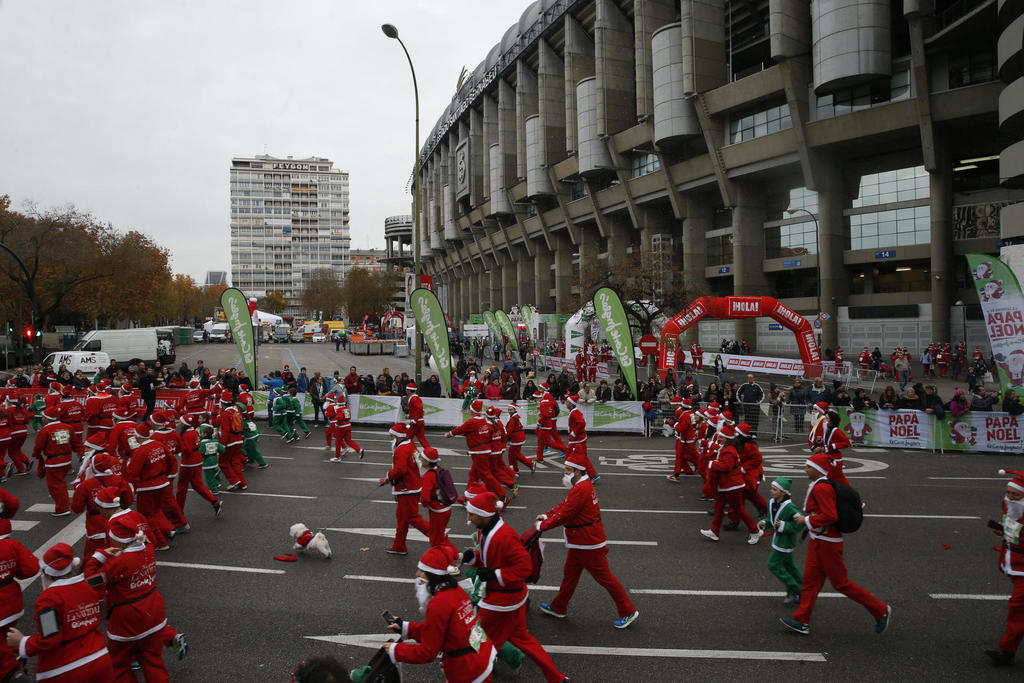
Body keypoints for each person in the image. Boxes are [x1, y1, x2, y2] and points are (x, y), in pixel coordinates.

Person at [780, 452, 891, 636]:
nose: (805, 469)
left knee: (841, 584)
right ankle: (802, 619)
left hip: (827, 543)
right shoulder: (820, 485)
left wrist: (806, 520)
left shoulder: (821, 488)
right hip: (819, 540)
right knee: (810, 581)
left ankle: (880, 610)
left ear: (818, 470)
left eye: (809, 467)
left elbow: (830, 515)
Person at [462, 492, 568, 683]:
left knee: (475, 640)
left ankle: (473, 674)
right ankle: (557, 678)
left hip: (499, 601)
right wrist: (473, 558)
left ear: (484, 515)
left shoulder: (504, 536)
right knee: (524, 640)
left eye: (472, 514)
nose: (468, 519)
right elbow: (489, 557)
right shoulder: (486, 529)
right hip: (513, 600)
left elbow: (524, 567)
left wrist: (494, 574)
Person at [535, 452, 639, 628]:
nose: (565, 473)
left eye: (568, 470)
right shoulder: (581, 486)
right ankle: (559, 607)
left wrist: (542, 526)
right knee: (570, 575)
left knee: (605, 578)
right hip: (581, 542)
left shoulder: (581, 489)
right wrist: (547, 515)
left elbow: (566, 513)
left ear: (578, 471)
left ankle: (628, 611)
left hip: (588, 543)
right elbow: (564, 505)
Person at [83, 513, 186, 680]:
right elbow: (147, 541)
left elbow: (91, 580)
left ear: (119, 541)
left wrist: (99, 555)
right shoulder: (148, 550)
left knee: (118, 663)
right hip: (154, 610)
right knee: (153, 660)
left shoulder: (119, 563)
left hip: (127, 619)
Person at [383, 545, 496, 682]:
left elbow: (428, 652)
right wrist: (406, 627)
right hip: (479, 657)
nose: (417, 574)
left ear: (432, 575)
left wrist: (395, 650)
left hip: (466, 669)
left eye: (421, 571)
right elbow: (441, 630)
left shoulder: (438, 604)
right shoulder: (457, 591)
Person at [7, 543, 113, 681]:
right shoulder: (88, 587)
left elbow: (50, 639)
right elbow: (93, 575)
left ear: (48, 574)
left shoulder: (48, 600)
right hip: (100, 659)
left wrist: (22, 642)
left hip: (66, 668)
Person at [699, 423, 761, 545]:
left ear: (727, 438)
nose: (719, 438)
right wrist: (707, 443)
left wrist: (712, 464)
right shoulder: (727, 447)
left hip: (732, 485)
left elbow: (726, 466)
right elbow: (718, 448)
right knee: (719, 507)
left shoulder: (729, 450)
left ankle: (755, 531)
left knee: (739, 510)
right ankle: (714, 531)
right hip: (726, 485)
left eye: (721, 437)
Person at [0, 494, 38, 683]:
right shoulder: (10, 545)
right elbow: (31, 568)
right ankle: (17, 656)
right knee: (6, 636)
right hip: (12, 603)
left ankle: (14, 673)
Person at [987, 469, 1024, 666]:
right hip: (1013, 563)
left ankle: (1007, 652)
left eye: (1015, 494)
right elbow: (1009, 524)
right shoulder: (1010, 505)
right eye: (1008, 493)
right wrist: (1001, 530)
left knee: (1017, 610)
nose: (1010, 497)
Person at [381, 422, 430, 556]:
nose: (391, 439)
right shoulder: (410, 444)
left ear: (399, 436)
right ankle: (399, 546)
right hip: (412, 485)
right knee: (402, 518)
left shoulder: (401, 449)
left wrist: (388, 476)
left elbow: (400, 470)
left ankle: (437, 535)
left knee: (412, 518)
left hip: (407, 489)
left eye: (392, 437)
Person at [759, 477, 803, 605]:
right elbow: (772, 520)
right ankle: (803, 588)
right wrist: (764, 523)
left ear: (783, 492)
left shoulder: (790, 508)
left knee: (773, 564)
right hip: (778, 539)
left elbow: (800, 524)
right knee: (790, 566)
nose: (771, 491)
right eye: (771, 488)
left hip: (785, 542)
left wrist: (784, 525)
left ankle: (795, 588)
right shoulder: (772, 502)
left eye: (774, 489)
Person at [447, 400, 504, 499]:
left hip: (479, 452)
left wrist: (450, 434)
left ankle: (502, 495)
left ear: (472, 410)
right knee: (473, 475)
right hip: (483, 451)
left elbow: (460, 429)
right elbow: (474, 432)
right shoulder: (483, 420)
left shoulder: (473, 421)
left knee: (486, 476)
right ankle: (466, 498)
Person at [32, 407, 81, 516]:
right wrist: (82, 452)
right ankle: (64, 505)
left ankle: (62, 508)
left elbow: (38, 446)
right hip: (67, 460)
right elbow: (75, 443)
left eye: (43, 417)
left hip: (54, 462)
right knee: (61, 484)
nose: (42, 419)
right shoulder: (67, 427)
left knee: (55, 486)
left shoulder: (45, 430)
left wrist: (35, 454)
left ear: (48, 418)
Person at [417, 447, 456, 551]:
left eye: (421, 458)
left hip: (437, 512)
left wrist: (424, 503)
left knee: (436, 540)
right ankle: (453, 555)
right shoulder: (439, 470)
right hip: (446, 508)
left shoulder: (429, 476)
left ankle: (454, 555)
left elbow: (425, 498)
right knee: (439, 535)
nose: (420, 459)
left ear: (426, 461)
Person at [536, 390, 567, 462]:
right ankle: (540, 457)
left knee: (548, 441)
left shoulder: (545, 401)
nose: (535, 400)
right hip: (548, 422)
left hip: (546, 423)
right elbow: (550, 411)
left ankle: (566, 450)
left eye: (536, 398)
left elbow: (547, 414)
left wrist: (539, 421)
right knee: (542, 440)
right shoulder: (547, 400)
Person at [405, 383, 430, 448]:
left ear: (409, 390)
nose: (406, 391)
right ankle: (429, 452)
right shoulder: (415, 398)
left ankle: (413, 451)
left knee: (407, 437)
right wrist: (409, 416)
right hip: (419, 421)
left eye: (407, 389)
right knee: (422, 439)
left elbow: (419, 409)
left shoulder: (414, 398)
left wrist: (414, 419)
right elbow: (418, 410)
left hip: (416, 422)